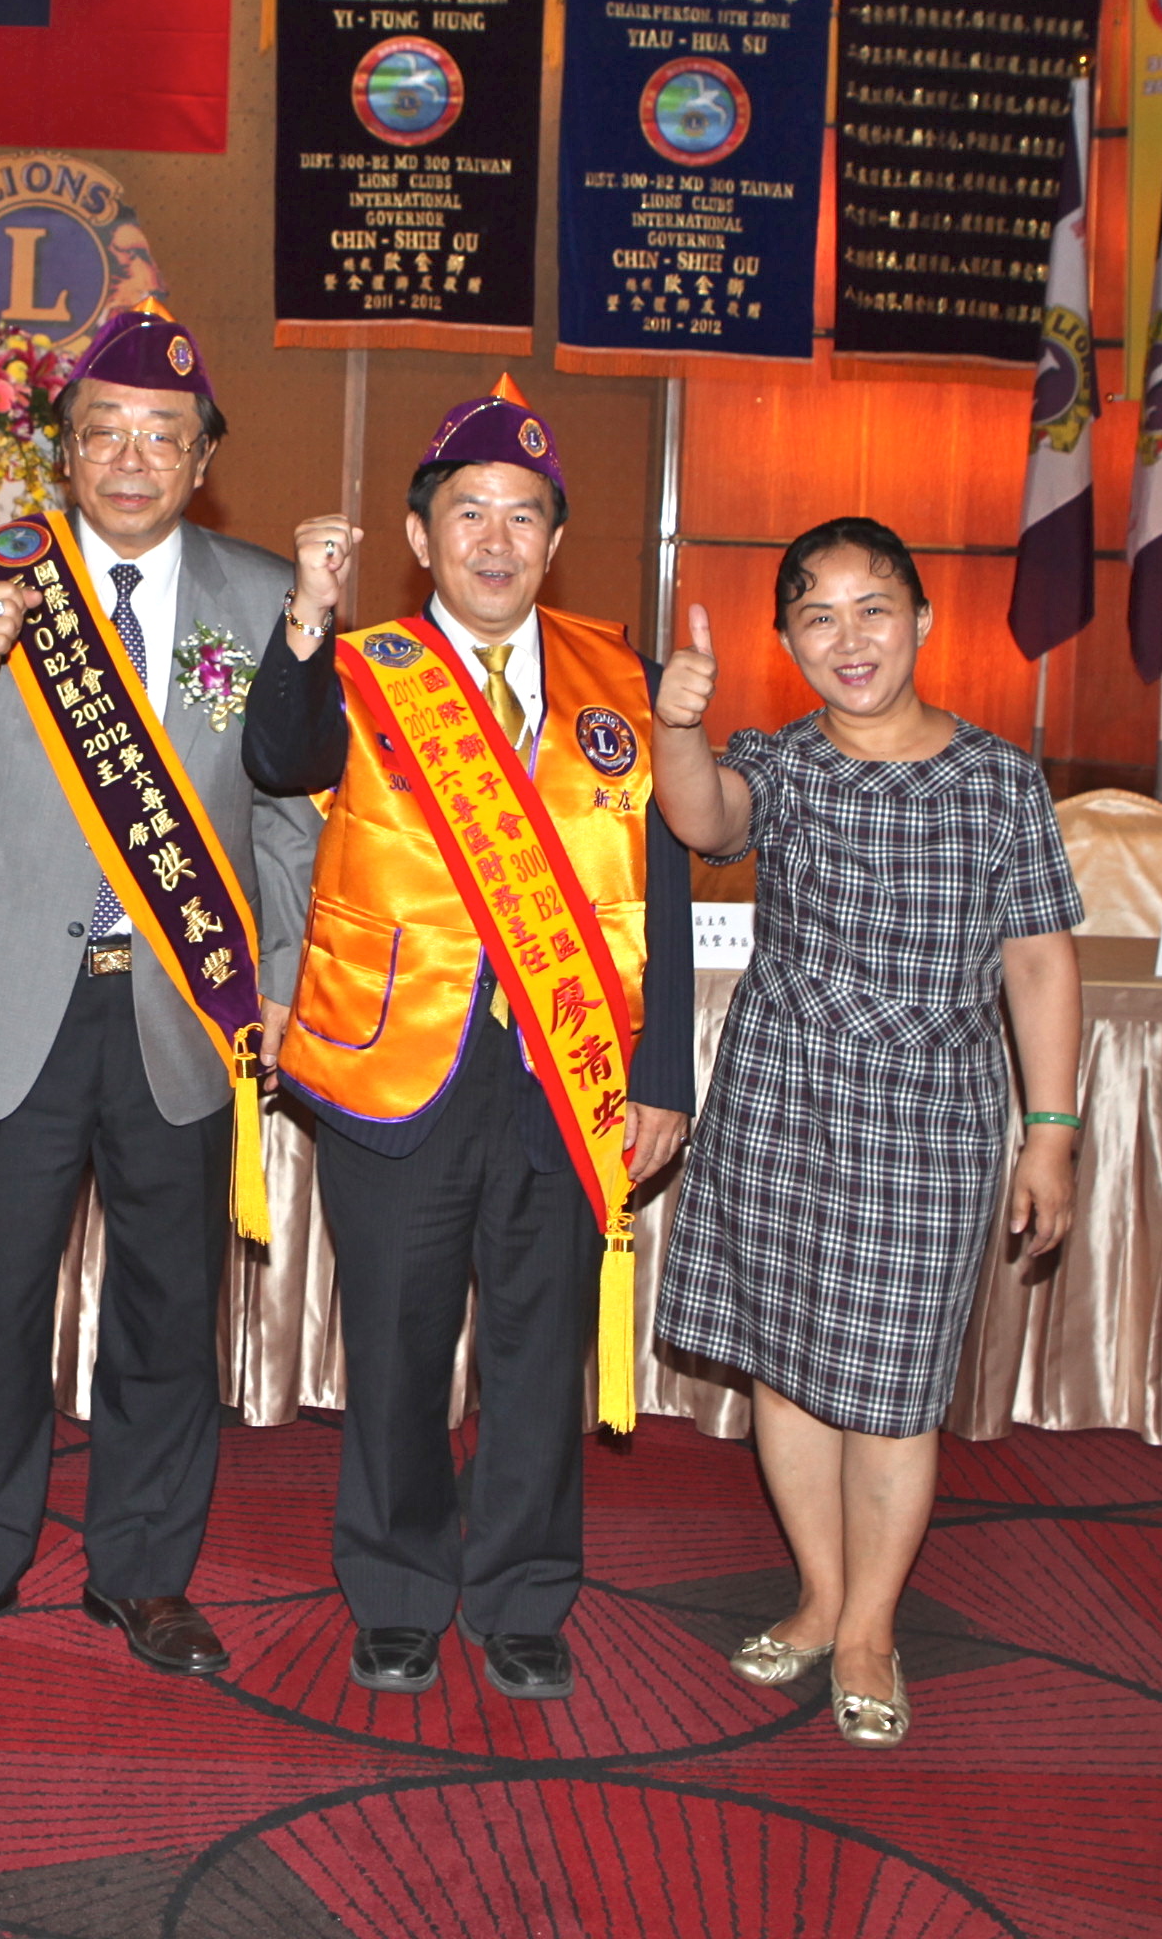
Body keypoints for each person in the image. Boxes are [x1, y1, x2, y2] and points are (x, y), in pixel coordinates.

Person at [0, 303, 320, 1678]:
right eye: (105, 432)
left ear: (203, 458)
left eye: (162, 436)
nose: (132, 458)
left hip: (185, 1000)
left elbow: (290, 810)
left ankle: (145, 1571)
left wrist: (277, 981)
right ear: (65, 452)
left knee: (171, 1305)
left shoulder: (265, 596)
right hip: (17, 997)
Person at [250, 378, 695, 1702]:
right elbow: (278, 756)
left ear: (555, 541)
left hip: (567, 1069)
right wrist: (306, 619)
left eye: (522, 516)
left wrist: (663, 1073)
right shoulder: (362, 669)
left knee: (539, 1352)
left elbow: (664, 883)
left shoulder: (625, 680)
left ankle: (521, 1596)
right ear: (418, 535)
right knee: (394, 1346)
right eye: (467, 513)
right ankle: (397, 1590)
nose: (495, 540)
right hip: (399, 1062)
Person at [647, 514, 1086, 1750]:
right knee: (788, 1369)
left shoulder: (999, 779)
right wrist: (677, 725)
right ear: (789, 641)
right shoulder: (782, 763)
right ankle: (818, 1594)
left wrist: (1051, 1131)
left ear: (923, 621)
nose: (850, 638)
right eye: (818, 616)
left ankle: (870, 1629)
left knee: (893, 1389)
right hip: (782, 1099)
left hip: (931, 1115)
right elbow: (703, 818)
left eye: (873, 607)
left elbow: (1041, 962)